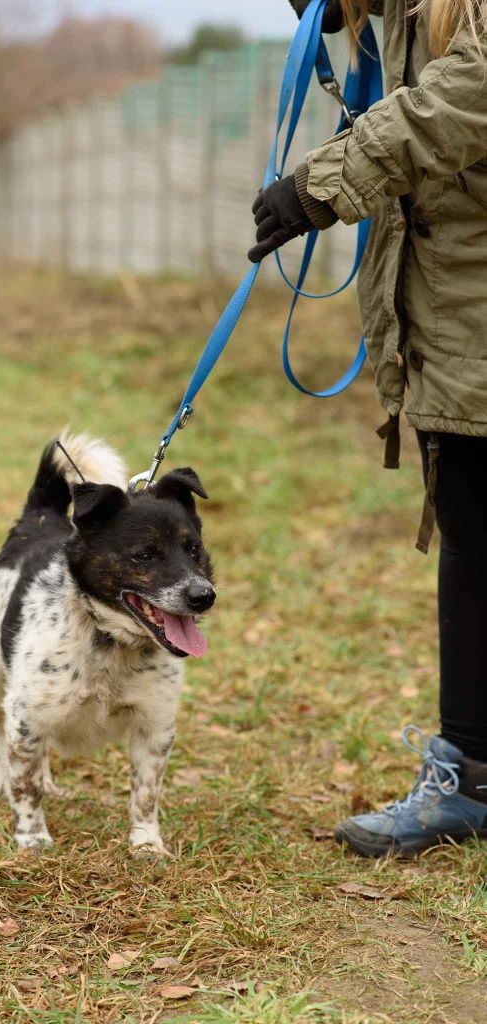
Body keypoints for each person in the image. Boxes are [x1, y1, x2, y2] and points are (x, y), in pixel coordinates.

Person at [250, 0, 487, 857]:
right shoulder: (403, 14)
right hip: (455, 310)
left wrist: (327, 179)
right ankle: (469, 773)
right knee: (470, 521)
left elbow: (473, 89)